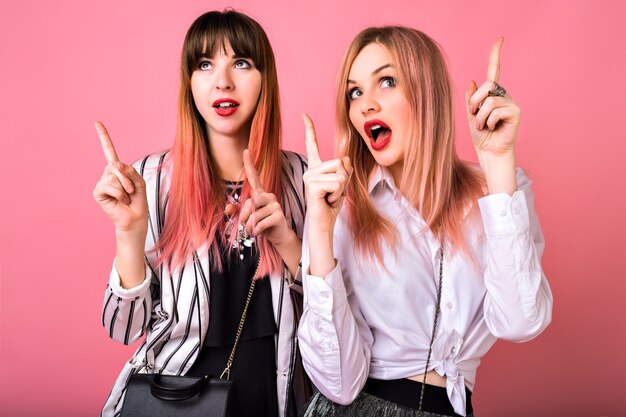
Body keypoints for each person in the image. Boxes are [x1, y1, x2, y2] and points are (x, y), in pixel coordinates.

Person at [298, 26, 553, 417]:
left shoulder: (498, 193)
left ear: (426, 93)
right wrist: (318, 231)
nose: (365, 105)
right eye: (354, 92)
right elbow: (339, 382)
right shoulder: (340, 211)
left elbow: (520, 322)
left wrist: (500, 164)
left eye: (386, 81)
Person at [93, 10, 311, 417]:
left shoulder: (302, 178)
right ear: (189, 82)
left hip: (272, 395)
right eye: (205, 64)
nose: (222, 81)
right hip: (172, 399)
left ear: (266, 78)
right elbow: (123, 329)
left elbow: (334, 316)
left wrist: (289, 242)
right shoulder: (150, 180)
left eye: (241, 63)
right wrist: (129, 233)